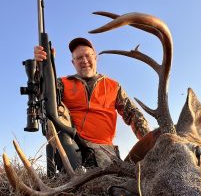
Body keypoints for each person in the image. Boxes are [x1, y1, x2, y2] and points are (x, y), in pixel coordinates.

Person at [34, 37, 150, 169]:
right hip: (72, 150)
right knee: (54, 110)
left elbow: (133, 115)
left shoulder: (113, 86)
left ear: (96, 58)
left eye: (88, 56)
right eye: (79, 58)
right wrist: (40, 67)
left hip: (105, 153)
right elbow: (43, 96)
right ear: (73, 62)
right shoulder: (61, 84)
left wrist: (151, 142)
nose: (84, 61)